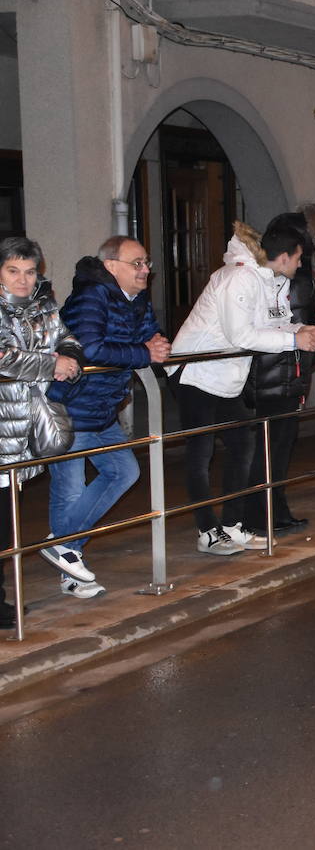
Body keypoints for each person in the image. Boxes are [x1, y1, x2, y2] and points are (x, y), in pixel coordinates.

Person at [170, 223, 315, 555]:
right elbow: (240, 334)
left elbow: (272, 322)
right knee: (201, 454)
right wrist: (292, 339)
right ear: (283, 257)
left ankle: (232, 525)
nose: (300, 266)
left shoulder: (270, 280)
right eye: (298, 259)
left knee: (244, 446)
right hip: (195, 373)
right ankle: (208, 532)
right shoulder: (238, 277)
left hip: (226, 377)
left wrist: (302, 330)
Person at [43, 236, 166, 598]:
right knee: (69, 491)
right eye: (137, 263)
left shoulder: (135, 299)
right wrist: (143, 353)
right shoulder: (91, 296)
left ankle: (62, 548)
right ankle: (71, 573)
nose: (145, 270)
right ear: (112, 266)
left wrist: (153, 347)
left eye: (147, 263)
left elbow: (150, 338)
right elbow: (89, 348)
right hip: (70, 406)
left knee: (124, 471)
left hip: (103, 408)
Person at [241, 207, 315, 536]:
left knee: (273, 446)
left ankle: (273, 511)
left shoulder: (279, 277)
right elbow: (299, 327)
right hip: (280, 372)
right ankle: (263, 516)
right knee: (274, 447)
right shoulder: (294, 280)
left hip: (275, 370)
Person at [0, 237, 82, 626]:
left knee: (5, 521)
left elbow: (65, 336)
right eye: (12, 270)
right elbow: (4, 359)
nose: (22, 280)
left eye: (29, 272)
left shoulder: (43, 304)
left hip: (21, 427)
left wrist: (71, 357)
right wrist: (52, 366)